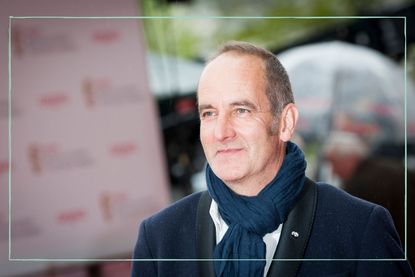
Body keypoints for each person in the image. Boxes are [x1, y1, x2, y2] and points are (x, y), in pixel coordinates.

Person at [131, 41, 413, 277]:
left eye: (241, 110)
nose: (221, 132)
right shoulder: (159, 238)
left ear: (286, 122)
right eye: (209, 113)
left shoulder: (357, 227)